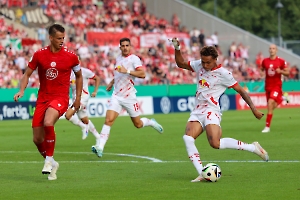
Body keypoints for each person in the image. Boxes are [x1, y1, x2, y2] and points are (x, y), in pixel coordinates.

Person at [170, 38, 269, 182]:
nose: (204, 65)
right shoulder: (199, 65)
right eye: (203, 61)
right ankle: (202, 173)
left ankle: (253, 148)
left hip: (212, 111)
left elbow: (241, 90)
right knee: (187, 138)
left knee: (215, 144)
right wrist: (177, 47)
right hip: (197, 111)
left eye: (208, 62)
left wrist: (253, 109)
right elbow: (180, 63)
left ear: (216, 59)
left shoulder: (224, 74)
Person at [13, 24, 83, 181]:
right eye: (59, 38)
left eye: (63, 38)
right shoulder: (39, 55)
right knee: (37, 139)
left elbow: (79, 76)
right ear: (50, 38)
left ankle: (48, 161)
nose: (62, 41)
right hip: (43, 98)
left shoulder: (71, 56)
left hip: (60, 97)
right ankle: (53, 163)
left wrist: (77, 98)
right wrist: (22, 90)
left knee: (48, 122)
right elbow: (27, 74)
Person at [91, 38, 164, 158]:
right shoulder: (118, 58)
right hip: (116, 95)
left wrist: (128, 71)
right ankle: (100, 147)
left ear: (130, 46)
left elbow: (142, 74)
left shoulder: (134, 59)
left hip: (129, 96)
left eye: (127, 45)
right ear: (120, 47)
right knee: (108, 120)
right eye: (123, 46)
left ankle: (150, 122)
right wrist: (112, 82)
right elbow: (119, 73)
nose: (125, 47)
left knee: (138, 124)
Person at [65, 67, 101, 142]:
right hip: (75, 98)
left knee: (68, 115)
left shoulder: (84, 71)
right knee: (84, 119)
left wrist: (95, 91)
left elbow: (97, 78)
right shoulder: (68, 73)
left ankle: (84, 127)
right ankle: (98, 137)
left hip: (83, 97)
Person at [260, 44, 290, 133]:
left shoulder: (281, 61)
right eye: (270, 48)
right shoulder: (265, 61)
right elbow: (262, 69)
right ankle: (281, 99)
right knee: (271, 106)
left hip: (276, 86)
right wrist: (261, 73)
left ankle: (267, 127)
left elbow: (287, 73)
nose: (271, 50)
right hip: (267, 86)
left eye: (273, 48)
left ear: (276, 50)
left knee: (270, 103)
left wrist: (280, 71)